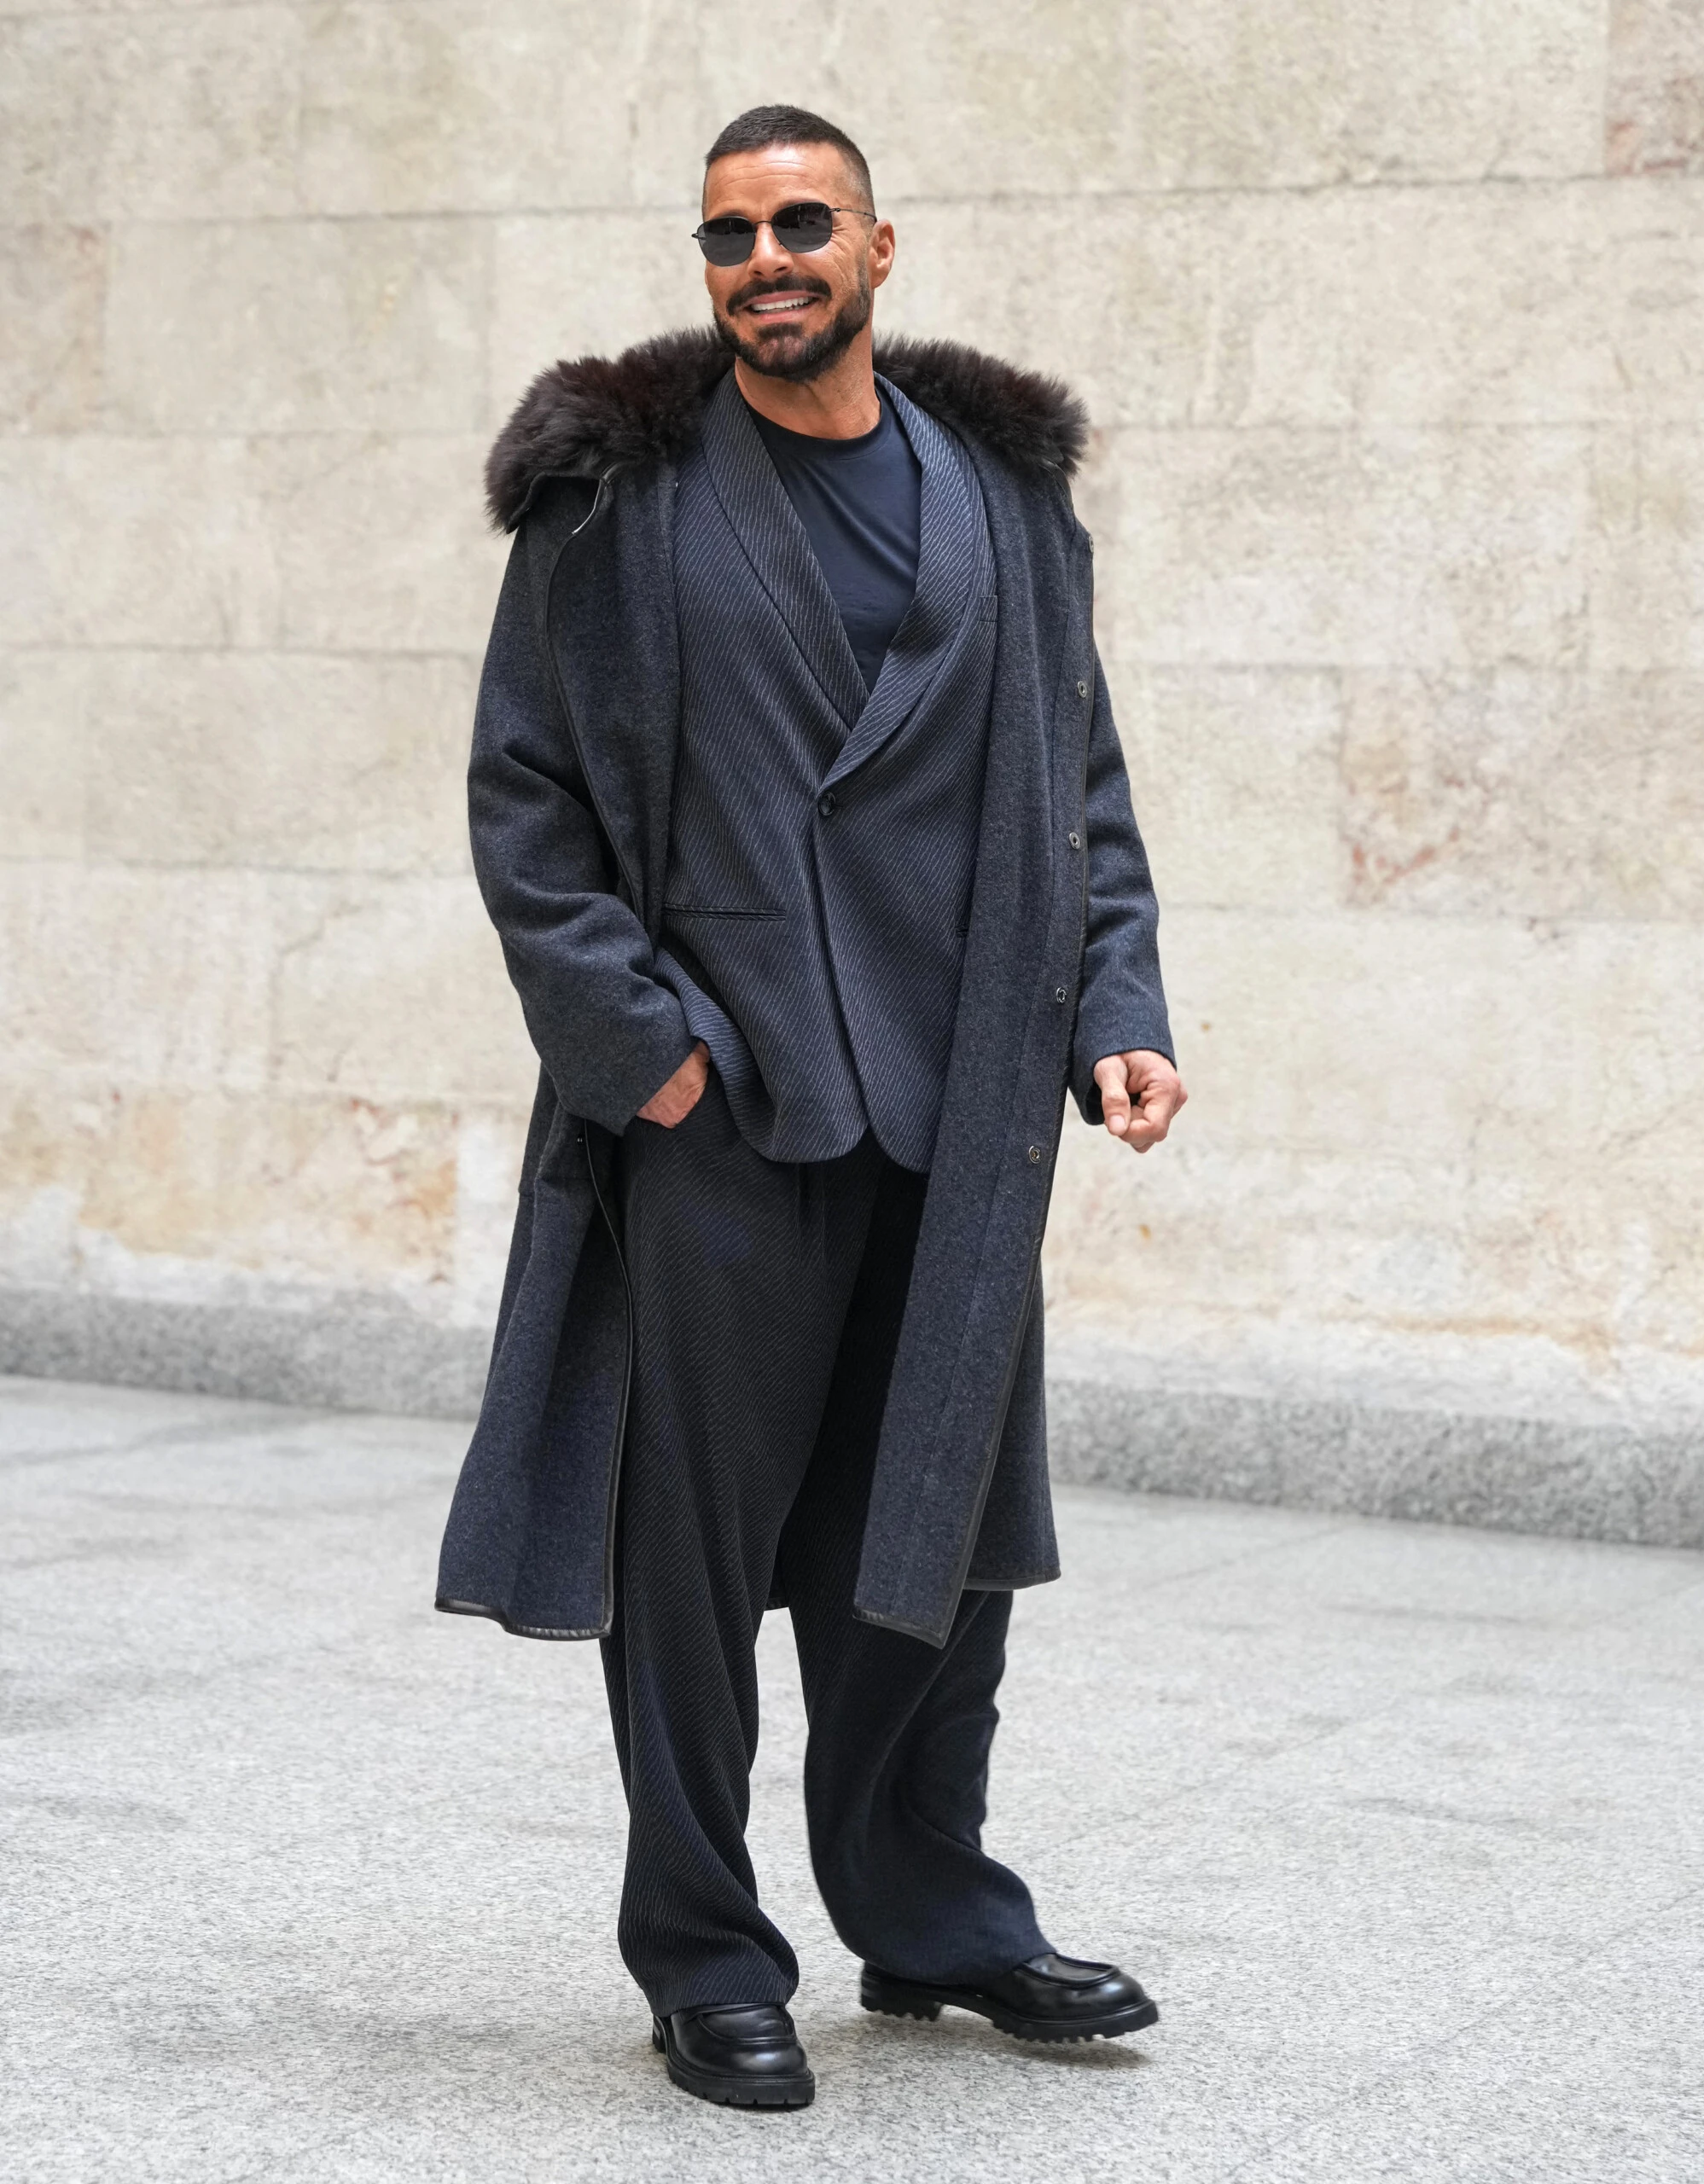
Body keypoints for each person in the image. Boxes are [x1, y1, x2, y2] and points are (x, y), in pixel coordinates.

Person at [435, 102, 1187, 2110]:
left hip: (961, 1118)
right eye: (725, 235)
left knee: (936, 1544)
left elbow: (1082, 784)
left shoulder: (1008, 508)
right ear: (705, 268)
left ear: (876, 246)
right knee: (685, 1568)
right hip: (727, 1114)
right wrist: (644, 1050)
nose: (763, 257)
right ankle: (702, 1950)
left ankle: (930, 1915)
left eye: (799, 223)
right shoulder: (619, 503)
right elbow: (528, 805)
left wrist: (1116, 1000)